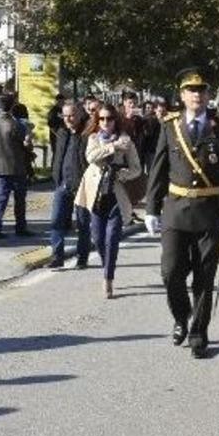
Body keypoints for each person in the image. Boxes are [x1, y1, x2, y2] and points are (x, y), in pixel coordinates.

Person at [144, 68, 219, 359]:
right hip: (176, 211)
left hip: (210, 212)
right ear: (182, 95)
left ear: (208, 95)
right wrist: (151, 209)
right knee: (170, 272)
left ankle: (199, 333)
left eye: (201, 90)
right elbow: (158, 169)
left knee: (204, 277)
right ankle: (181, 316)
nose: (196, 95)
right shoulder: (169, 126)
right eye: (191, 90)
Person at [76, 104, 142, 298]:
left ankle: (108, 278)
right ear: (97, 121)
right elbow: (91, 157)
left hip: (116, 194)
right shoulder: (93, 138)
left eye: (110, 118)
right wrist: (113, 146)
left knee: (112, 237)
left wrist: (123, 174)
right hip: (96, 193)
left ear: (116, 120)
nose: (106, 122)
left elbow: (137, 168)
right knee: (98, 238)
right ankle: (107, 265)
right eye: (102, 119)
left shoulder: (126, 140)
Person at [48, 100, 91, 269]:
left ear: (79, 114)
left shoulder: (87, 133)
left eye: (71, 115)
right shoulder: (62, 133)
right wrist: (56, 176)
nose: (68, 119)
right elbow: (58, 156)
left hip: (82, 185)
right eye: (65, 116)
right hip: (63, 184)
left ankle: (82, 257)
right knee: (56, 221)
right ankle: (57, 256)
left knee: (82, 224)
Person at [0, 92, 34, 239]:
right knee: (19, 199)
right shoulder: (17, 124)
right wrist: (29, 142)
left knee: (1, 198)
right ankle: (20, 227)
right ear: (12, 106)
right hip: (16, 165)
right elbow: (26, 145)